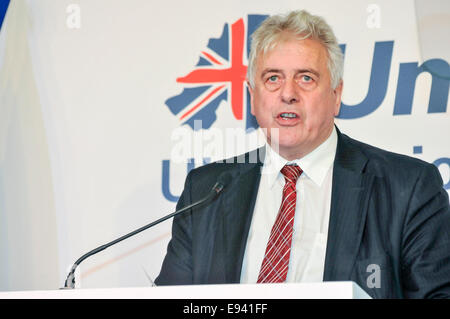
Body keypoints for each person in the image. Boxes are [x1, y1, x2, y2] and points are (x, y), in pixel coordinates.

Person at [155, 10, 450, 298]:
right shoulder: (207, 190)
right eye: (272, 78)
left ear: (336, 95)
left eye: (306, 78)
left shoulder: (408, 187)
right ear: (252, 97)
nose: (288, 93)